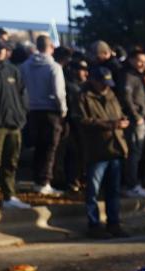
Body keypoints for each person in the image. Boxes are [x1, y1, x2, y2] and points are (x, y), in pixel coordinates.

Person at [77, 66, 129, 237]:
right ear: (93, 80)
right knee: (93, 190)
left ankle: (113, 222)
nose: (105, 86)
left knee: (113, 190)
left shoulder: (112, 95)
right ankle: (94, 224)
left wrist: (122, 121)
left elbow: (118, 113)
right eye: (102, 83)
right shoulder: (83, 97)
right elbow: (83, 121)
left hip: (115, 147)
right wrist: (111, 124)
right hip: (97, 149)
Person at [21, 35, 67, 196]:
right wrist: (63, 109)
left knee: (38, 147)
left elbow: (22, 88)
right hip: (50, 110)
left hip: (33, 110)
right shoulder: (54, 67)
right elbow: (59, 91)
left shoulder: (25, 66)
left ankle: (37, 180)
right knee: (49, 148)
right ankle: (44, 181)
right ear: (51, 47)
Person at [0, 37, 30, 214]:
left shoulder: (13, 70)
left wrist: (22, 115)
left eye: (3, 49)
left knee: (11, 161)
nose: (1, 52)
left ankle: (9, 196)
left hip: (13, 124)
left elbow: (23, 94)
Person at [119, 51, 145, 197]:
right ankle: (131, 184)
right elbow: (126, 97)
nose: (143, 64)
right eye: (139, 60)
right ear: (131, 60)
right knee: (134, 152)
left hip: (140, 116)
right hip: (134, 119)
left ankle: (132, 182)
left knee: (136, 153)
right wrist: (136, 115)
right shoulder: (129, 77)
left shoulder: (138, 76)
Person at [63, 60, 88, 193]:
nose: (85, 73)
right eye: (82, 70)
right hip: (72, 124)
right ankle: (72, 180)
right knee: (73, 153)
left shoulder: (85, 86)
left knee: (83, 153)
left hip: (84, 124)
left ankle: (81, 178)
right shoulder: (69, 86)